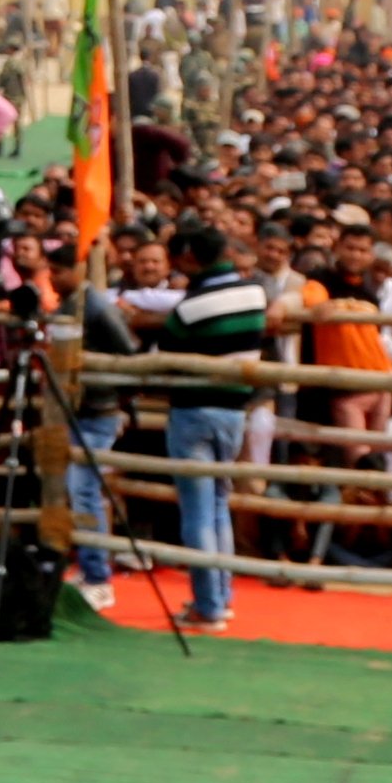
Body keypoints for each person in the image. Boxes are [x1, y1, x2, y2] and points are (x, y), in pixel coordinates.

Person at [126, 217, 268, 628]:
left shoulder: (187, 310)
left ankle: (208, 606)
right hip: (234, 412)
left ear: (188, 257)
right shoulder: (254, 293)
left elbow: (165, 355)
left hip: (192, 413)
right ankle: (220, 597)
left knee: (197, 512)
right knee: (220, 505)